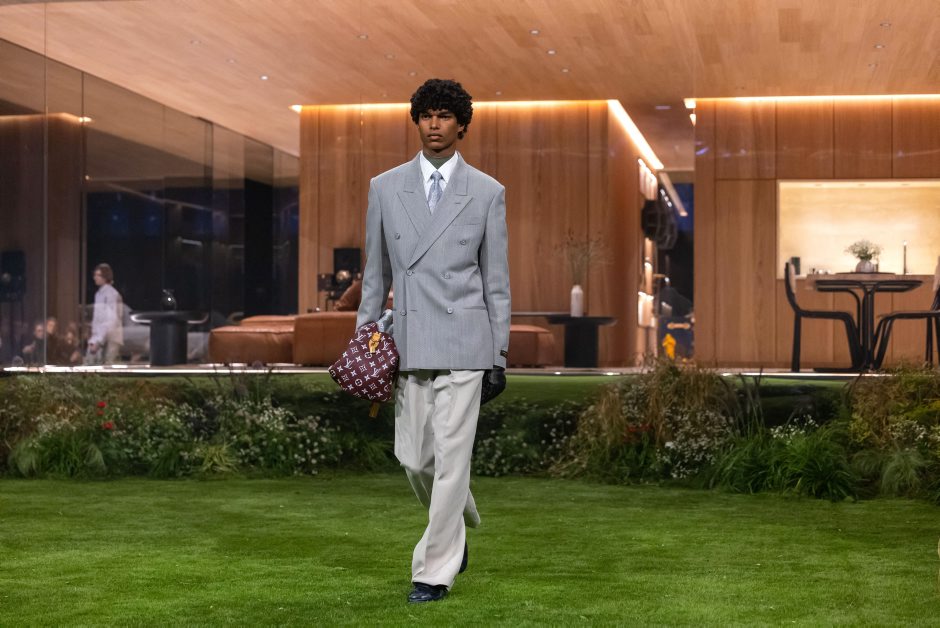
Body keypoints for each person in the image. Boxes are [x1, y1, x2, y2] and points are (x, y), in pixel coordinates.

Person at [356, 78, 510, 604]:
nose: (435, 124)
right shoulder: (384, 187)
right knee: (416, 460)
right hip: (409, 340)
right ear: (417, 121)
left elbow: (496, 282)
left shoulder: (487, 192)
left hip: (466, 341)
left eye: (445, 115)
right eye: (427, 115)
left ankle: (433, 571)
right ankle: (455, 529)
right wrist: (365, 338)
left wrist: (499, 353)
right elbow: (375, 275)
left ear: (461, 125)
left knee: (451, 459)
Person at [85, 263, 124, 364]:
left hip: (110, 338)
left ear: (105, 277)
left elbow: (111, 320)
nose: (95, 277)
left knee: (107, 367)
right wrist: (94, 339)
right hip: (100, 338)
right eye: (95, 275)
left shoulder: (111, 294)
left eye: (98, 275)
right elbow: (98, 319)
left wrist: (98, 340)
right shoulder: (98, 294)